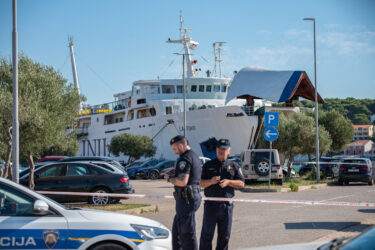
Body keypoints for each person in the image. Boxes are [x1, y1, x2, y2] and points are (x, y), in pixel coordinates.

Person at [199, 139, 245, 250]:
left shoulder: (234, 165)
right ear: (216, 150)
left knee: (225, 236)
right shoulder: (208, 165)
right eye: (219, 149)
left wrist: (229, 182)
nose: (221, 151)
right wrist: (210, 181)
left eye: (224, 149)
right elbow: (200, 183)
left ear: (229, 151)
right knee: (207, 236)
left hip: (226, 206)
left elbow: (242, 183)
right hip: (211, 205)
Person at [166, 135, 202, 250]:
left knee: (187, 235)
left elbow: (182, 182)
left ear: (181, 145)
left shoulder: (185, 158)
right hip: (187, 200)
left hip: (187, 200)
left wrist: (170, 179)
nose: (175, 152)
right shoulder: (193, 156)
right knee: (178, 234)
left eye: (175, 149)